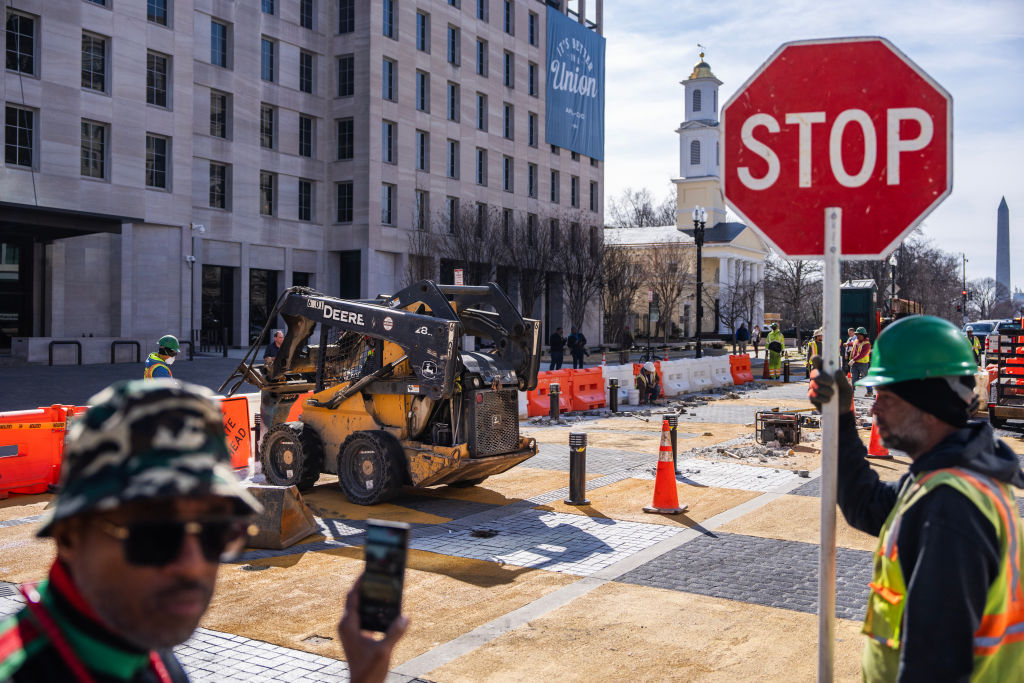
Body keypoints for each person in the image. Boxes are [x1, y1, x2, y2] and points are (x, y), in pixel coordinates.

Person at [0, 380, 409, 683]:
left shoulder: (144, 650)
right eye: (156, 533)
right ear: (71, 535)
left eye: (215, 532)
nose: (193, 565)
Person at [807, 315, 1024, 682]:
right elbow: (866, 504)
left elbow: (935, 669)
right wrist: (842, 418)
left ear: (927, 408)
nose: (873, 410)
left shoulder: (951, 508)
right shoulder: (949, 478)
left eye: (886, 397)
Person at [850, 326, 873, 397]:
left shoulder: (867, 344)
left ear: (863, 335)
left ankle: (870, 392)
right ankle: (851, 392)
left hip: (863, 364)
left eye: (859, 335)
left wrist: (853, 360)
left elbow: (862, 354)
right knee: (854, 377)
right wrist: (847, 344)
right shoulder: (856, 341)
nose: (857, 336)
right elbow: (853, 343)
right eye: (856, 335)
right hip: (855, 363)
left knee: (865, 378)